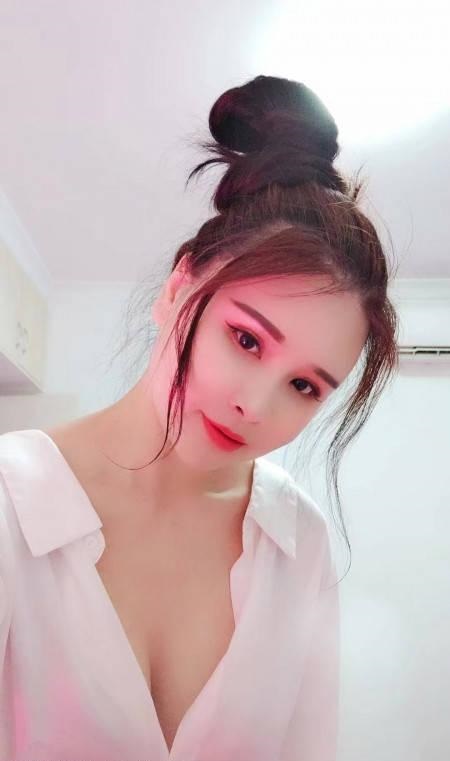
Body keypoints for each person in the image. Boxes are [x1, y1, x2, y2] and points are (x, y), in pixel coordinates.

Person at [0, 75, 399, 761]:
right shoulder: (12, 498)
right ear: (180, 287)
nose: (256, 405)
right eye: (246, 339)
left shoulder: (296, 542)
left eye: (304, 386)